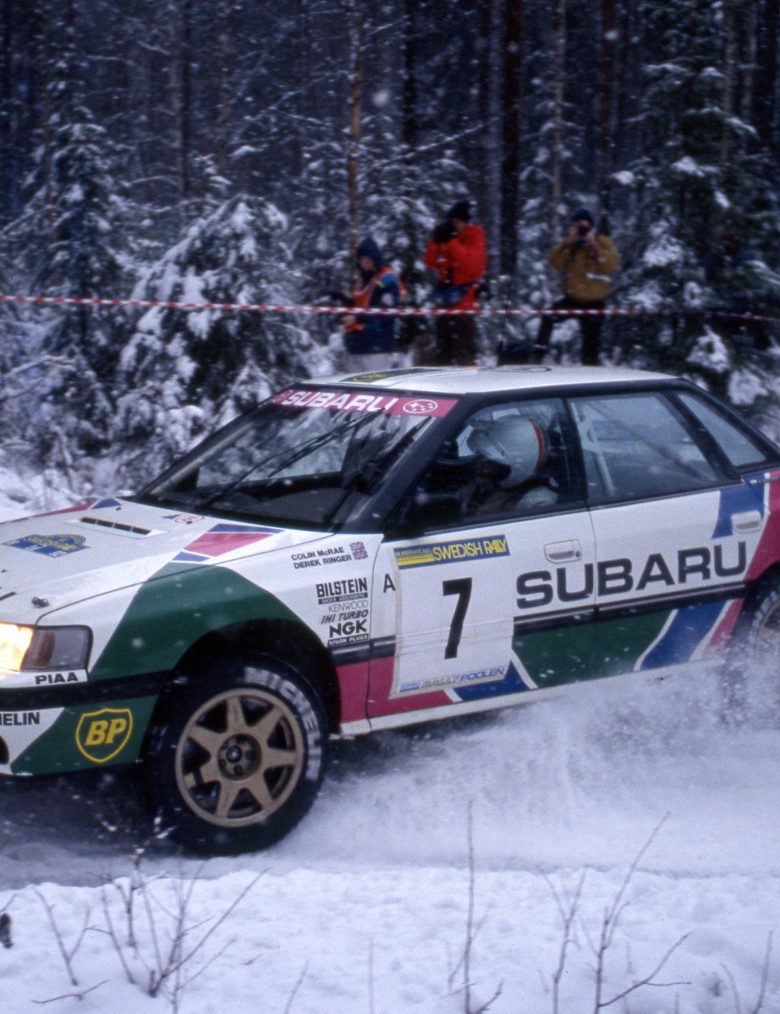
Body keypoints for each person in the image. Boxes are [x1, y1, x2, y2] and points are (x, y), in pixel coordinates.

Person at [535, 208, 620, 365]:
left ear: (591, 226)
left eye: (582, 226)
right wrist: (566, 244)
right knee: (548, 316)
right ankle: (537, 356)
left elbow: (611, 265)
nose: (580, 229)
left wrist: (594, 246)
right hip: (572, 299)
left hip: (594, 301)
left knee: (591, 343)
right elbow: (554, 263)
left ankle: (590, 369)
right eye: (575, 225)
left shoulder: (602, 241)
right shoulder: (571, 245)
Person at [423, 199, 487, 365]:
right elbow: (430, 262)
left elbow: (469, 266)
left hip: (464, 305)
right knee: (442, 355)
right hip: (444, 304)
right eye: (452, 222)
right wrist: (435, 241)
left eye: (458, 222)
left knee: (464, 354)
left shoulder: (475, 237)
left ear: (465, 222)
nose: (454, 226)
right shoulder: (446, 238)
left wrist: (452, 243)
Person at [464, 415, 557, 515]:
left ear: (518, 466)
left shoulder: (535, 502)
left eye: (490, 462)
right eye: (481, 455)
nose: (480, 467)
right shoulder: (485, 482)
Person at [342, 236, 401, 373]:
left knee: (377, 384)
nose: (365, 263)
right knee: (353, 384)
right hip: (356, 344)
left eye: (368, 259)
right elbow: (357, 305)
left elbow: (385, 313)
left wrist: (356, 318)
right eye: (362, 259)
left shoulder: (387, 279)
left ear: (375, 259)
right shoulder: (361, 281)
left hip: (376, 346)